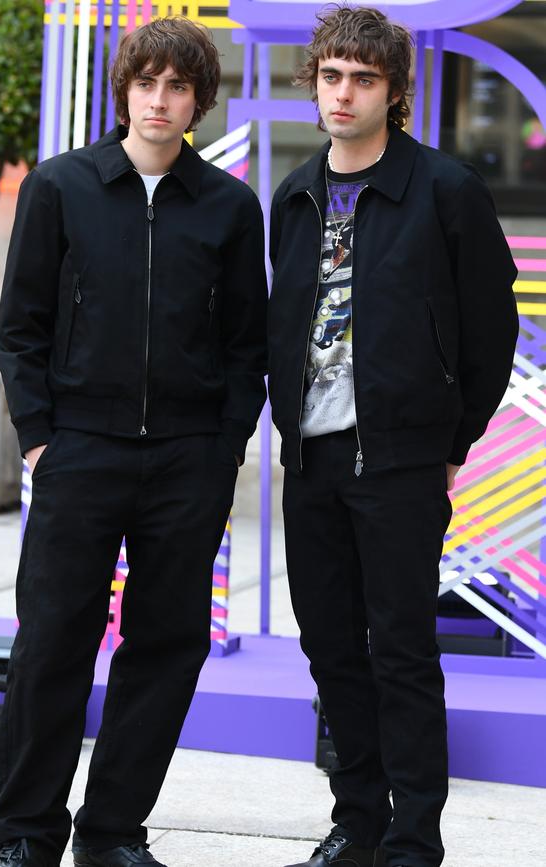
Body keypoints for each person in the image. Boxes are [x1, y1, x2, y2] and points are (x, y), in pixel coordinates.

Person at [0, 17, 267, 867]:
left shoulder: (227, 206)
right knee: (52, 642)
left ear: (198, 102)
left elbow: (248, 344)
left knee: (166, 645)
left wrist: (222, 451)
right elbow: (20, 326)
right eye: (147, 82)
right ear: (125, 90)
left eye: (178, 86)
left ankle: (111, 832)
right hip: (80, 450)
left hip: (187, 459)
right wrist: (41, 441)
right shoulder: (61, 187)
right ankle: (28, 835)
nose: (160, 99)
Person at [267, 6, 518, 867]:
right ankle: (358, 819)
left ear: (395, 91)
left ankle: (414, 838)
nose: (344, 93)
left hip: (402, 461)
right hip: (312, 459)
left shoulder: (444, 189)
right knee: (329, 645)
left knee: (402, 649)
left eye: (363, 79)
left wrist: (454, 437)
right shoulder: (294, 194)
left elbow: (491, 327)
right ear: (314, 83)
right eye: (332, 75)